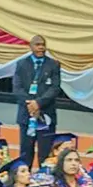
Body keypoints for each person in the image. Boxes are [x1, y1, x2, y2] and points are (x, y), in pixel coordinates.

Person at [12, 34, 61, 167]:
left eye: (43, 45)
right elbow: (17, 88)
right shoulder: (21, 64)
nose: (41, 48)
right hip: (26, 115)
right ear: (31, 46)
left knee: (45, 153)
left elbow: (55, 88)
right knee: (25, 152)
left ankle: (43, 181)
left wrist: (38, 103)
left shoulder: (53, 64)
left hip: (45, 115)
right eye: (38, 45)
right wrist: (30, 104)